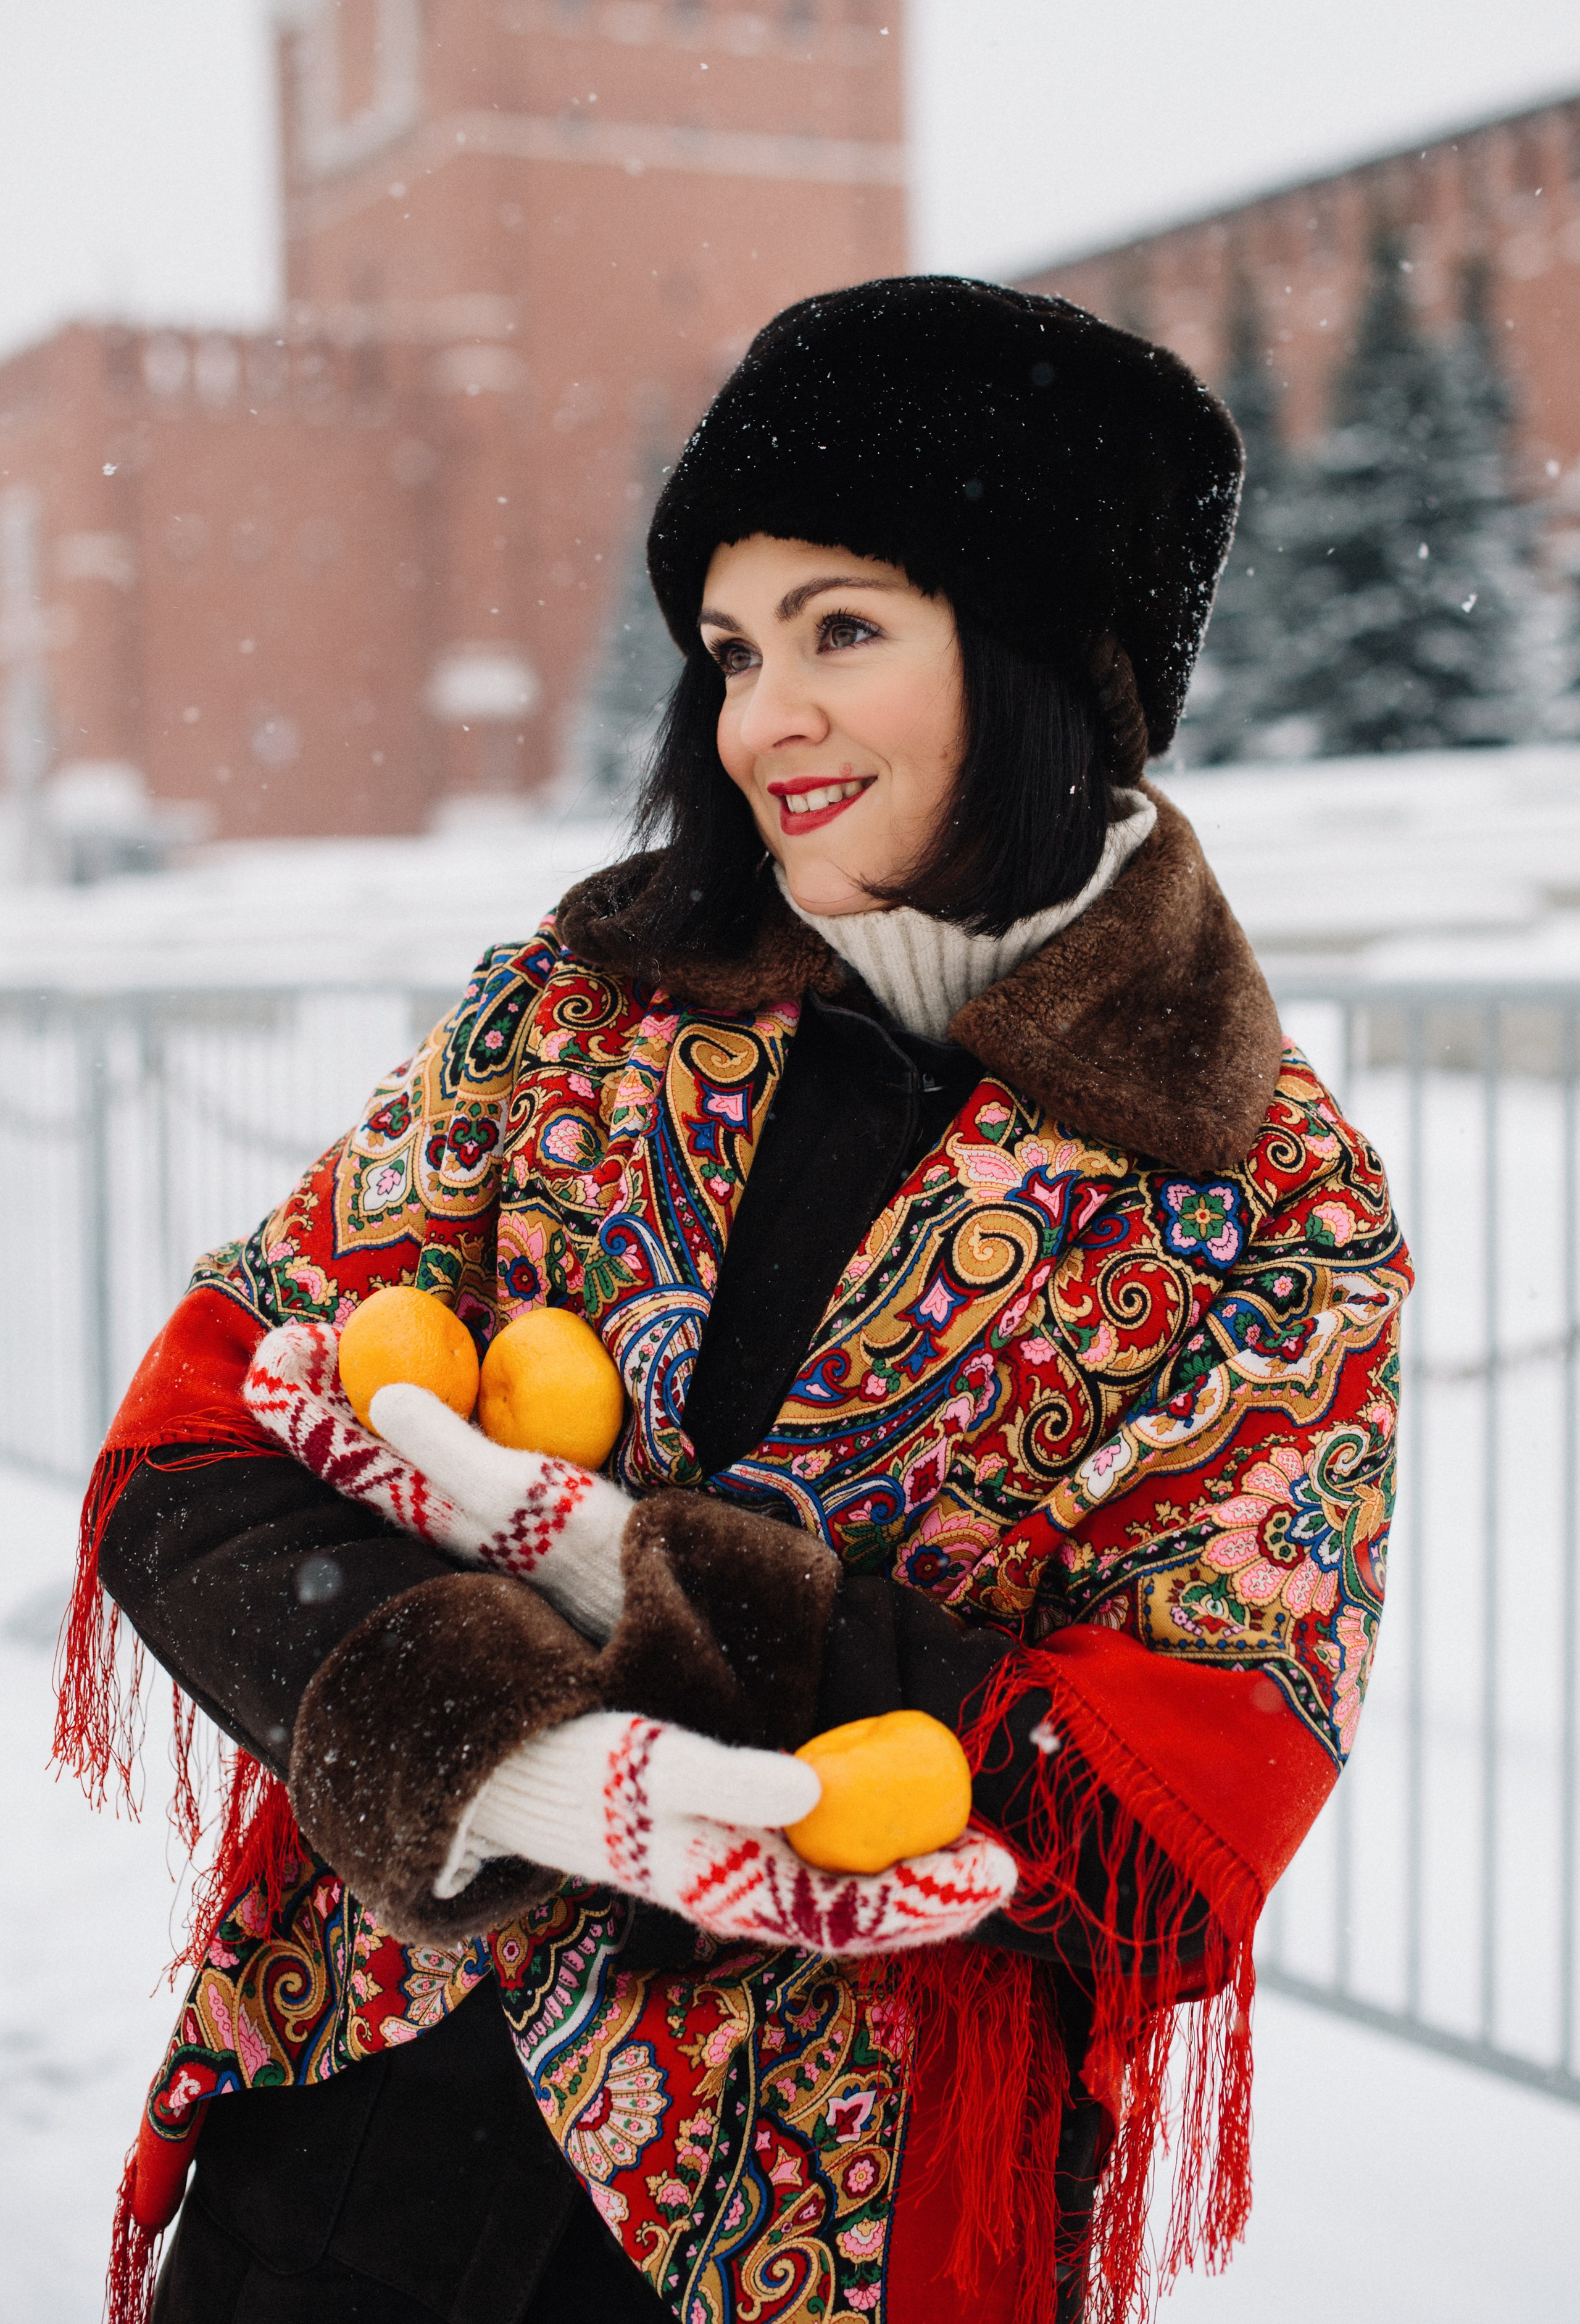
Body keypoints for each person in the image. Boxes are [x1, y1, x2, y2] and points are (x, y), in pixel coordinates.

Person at [65, 277, 1410, 2324]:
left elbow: (1187, 1779)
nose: (758, 719)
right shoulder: (576, 1010)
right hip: (360, 2125)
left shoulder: (1272, 1206)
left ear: (1054, 658)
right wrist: (498, 1754)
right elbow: (201, 1440)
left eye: (841, 629)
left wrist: (639, 1583)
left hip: (821, 2213)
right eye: (731, 649)